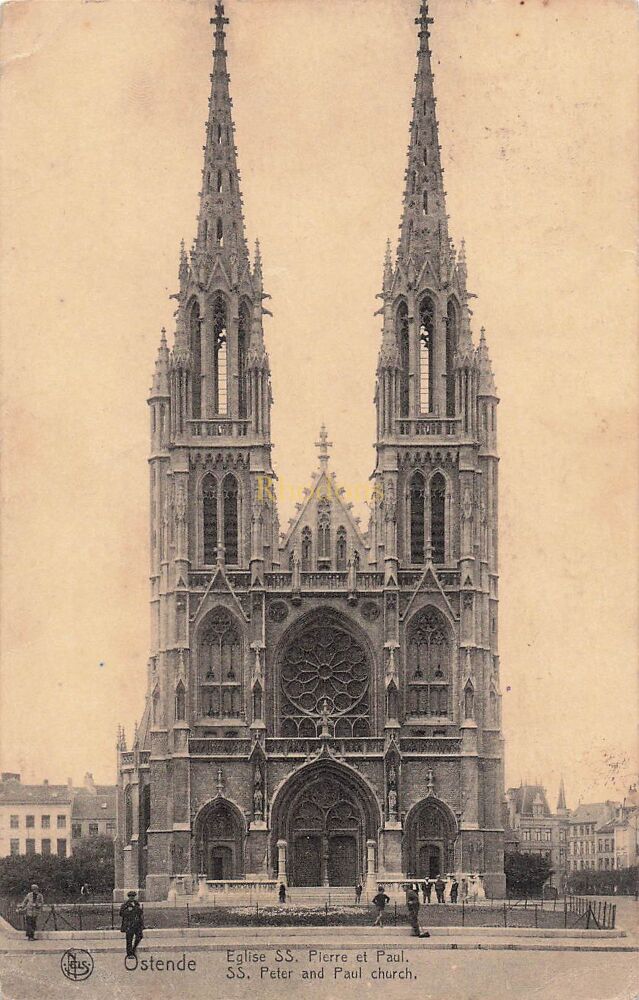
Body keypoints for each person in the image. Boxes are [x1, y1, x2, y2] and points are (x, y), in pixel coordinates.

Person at [119, 890, 144, 958]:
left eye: (133, 896)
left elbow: (140, 913)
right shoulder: (125, 905)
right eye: (130, 896)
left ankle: (133, 949)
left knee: (139, 936)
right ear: (128, 897)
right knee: (129, 939)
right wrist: (128, 910)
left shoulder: (137, 904)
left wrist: (135, 908)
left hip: (137, 924)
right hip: (129, 925)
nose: (132, 897)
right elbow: (121, 913)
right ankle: (129, 954)